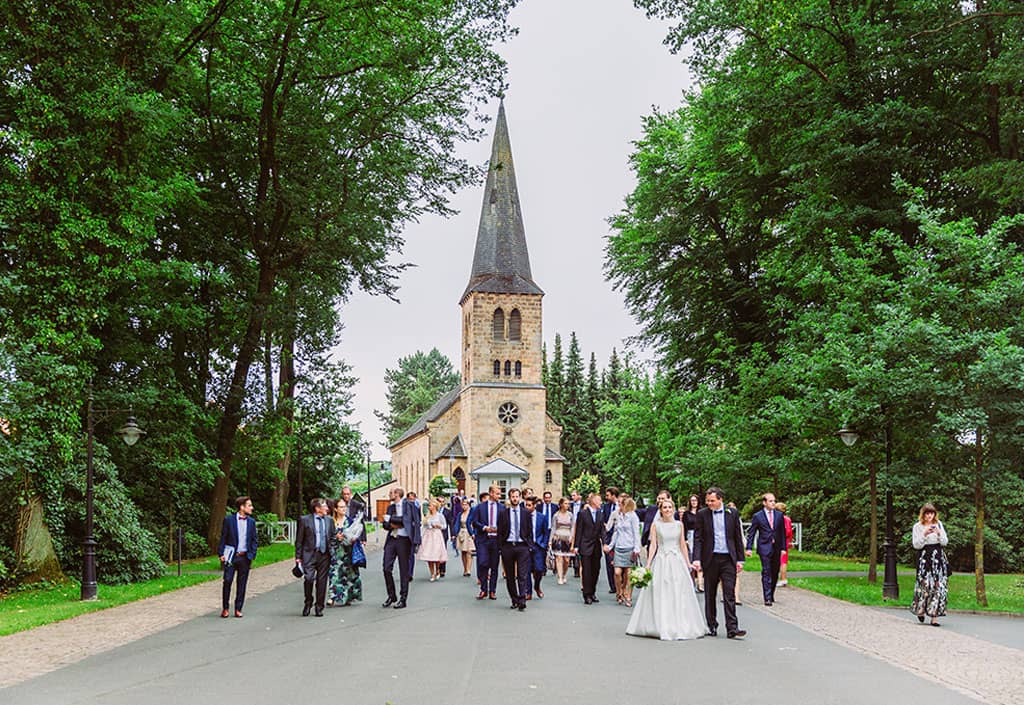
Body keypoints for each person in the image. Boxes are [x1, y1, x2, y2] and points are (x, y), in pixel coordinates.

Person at [627, 499, 707, 640]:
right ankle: (659, 624)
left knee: (678, 590)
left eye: (670, 507)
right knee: (661, 590)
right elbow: (653, 546)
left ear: (674, 509)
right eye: (665, 507)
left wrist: (688, 563)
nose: (668, 510)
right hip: (662, 560)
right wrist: (648, 563)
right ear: (661, 510)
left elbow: (682, 545)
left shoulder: (679, 525)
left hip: (677, 561)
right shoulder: (656, 525)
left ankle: (679, 623)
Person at [692, 488, 746, 639]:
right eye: (708, 501)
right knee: (710, 594)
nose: (709, 503)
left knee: (729, 593)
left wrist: (740, 560)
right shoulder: (702, 514)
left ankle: (732, 628)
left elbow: (737, 537)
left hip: (728, 558)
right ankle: (712, 625)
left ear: (720, 499)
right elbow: (698, 538)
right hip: (711, 558)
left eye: (712, 501)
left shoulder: (732, 513)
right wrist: (696, 558)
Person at [381, 487, 421, 609]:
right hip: (392, 539)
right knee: (386, 568)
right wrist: (393, 523)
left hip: (404, 540)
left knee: (404, 570)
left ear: (397, 494)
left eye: (391, 493)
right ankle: (391, 595)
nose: (389, 494)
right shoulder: (390, 507)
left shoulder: (409, 505)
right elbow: (385, 524)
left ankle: (403, 598)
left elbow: (408, 521)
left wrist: (416, 541)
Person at [911, 503, 949, 627]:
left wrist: (938, 533)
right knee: (924, 584)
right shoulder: (917, 526)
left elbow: (944, 542)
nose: (929, 516)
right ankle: (920, 611)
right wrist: (924, 534)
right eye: (927, 514)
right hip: (924, 557)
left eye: (931, 513)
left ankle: (934, 616)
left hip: (937, 557)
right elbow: (916, 545)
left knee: (938, 585)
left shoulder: (939, 524)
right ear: (923, 514)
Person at [219, 495, 257, 618]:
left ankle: (238, 608)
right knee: (228, 581)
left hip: (245, 557)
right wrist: (221, 554)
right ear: (241, 507)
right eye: (249, 505)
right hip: (231, 556)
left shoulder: (251, 522)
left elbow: (254, 540)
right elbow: (223, 537)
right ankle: (225, 607)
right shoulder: (229, 520)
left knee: (242, 583)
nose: (252, 508)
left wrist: (252, 554)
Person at [745, 492, 786, 606]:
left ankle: (771, 593)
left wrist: (783, 548)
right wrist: (749, 548)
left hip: (776, 547)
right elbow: (751, 533)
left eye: (774, 501)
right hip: (764, 547)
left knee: (774, 571)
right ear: (764, 503)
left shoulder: (779, 515)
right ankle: (767, 597)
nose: (773, 503)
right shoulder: (758, 516)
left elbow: (782, 532)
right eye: (770, 501)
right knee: (766, 571)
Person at [497, 488, 533, 610]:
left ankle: (522, 599)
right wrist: (501, 547)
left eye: (517, 496)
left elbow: (529, 530)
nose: (515, 499)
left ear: (520, 498)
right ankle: (514, 599)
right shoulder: (503, 513)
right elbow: (500, 532)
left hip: (522, 546)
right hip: (508, 546)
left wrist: (529, 546)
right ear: (509, 498)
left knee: (522, 574)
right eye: (513, 496)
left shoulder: (526, 513)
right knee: (510, 576)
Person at [295, 497, 332, 617]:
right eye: (324, 506)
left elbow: (333, 537)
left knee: (322, 582)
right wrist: (298, 557)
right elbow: (299, 540)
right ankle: (308, 602)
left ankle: (319, 606)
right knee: (309, 579)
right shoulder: (305, 520)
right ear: (317, 508)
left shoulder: (329, 520)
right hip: (309, 554)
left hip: (324, 554)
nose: (327, 508)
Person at [605, 495, 641, 607]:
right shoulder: (619, 516)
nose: (619, 506)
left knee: (629, 575)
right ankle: (619, 591)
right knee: (617, 573)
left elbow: (636, 533)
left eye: (621, 504)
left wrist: (637, 548)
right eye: (618, 504)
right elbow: (616, 532)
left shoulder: (633, 516)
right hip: (619, 548)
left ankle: (628, 596)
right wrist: (610, 546)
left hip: (629, 548)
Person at [327, 499, 363, 606]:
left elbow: (357, 533)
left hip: (349, 551)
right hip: (336, 552)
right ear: (335, 509)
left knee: (349, 575)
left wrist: (353, 538)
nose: (343, 509)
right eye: (341, 507)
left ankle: (348, 596)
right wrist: (335, 537)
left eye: (344, 507)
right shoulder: (331, 522)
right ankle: (332, 597)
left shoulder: (350, 521)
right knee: (334, 574)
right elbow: (327, 536)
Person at [571, 492, 605, 604]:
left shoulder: (600, 513)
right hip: (585, 545)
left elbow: (602, 531)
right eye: (599, 500)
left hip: (596, 546)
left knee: (596, 570)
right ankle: (587, 594)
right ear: (594, 501)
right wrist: (576, 546)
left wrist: (605, 543)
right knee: (586, 571)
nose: (601, 502)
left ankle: (593, 592)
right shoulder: (583, 514)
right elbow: (579, 530)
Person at [471, 484, 503, 600]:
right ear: (491, 493)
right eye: (497, 493)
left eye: (500, 494)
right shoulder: (480, 507)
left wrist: (500, 529)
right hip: (483, 539)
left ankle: (492, 591)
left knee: (494, 566)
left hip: (495, 540)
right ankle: (483, 589)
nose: (499, 496)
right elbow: (474, 522)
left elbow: (504, 524)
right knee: (483, 563)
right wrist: (484, 527)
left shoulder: (502, 508)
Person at [524, 495, 549, 600]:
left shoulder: (542, 517)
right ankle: (528, 592)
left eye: (529, 505)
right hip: (526, 546)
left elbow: (546, 532)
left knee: (539, 569)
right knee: (526, 570)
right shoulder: (523, 516)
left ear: (534, 506)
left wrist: (544, 544)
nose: (527, 507)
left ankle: (537, 586)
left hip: (538, 546)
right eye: (526, 505)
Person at [416, 498, 448, 581]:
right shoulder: (427, 515)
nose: (429, 507)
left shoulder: (439, 515)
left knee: (436, 554)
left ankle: (437, 570)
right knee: (429, 555)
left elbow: (445, 526)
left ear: (434, 506)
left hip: (436, 535)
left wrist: (439, 526)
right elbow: (423, 526)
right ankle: (432, 573)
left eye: (430, 506)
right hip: (428, 535)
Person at [600, 487, 621, 595]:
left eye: (608, 495)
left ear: (613, 495)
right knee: (609, 562)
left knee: (620, 561)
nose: (606, 497)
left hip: (621, 538)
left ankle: (620, 585)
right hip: (608, 537)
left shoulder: (622, 506)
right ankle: (612, 586)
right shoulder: (606, 507)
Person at [549, 497, 575, 585]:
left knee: (567, 560)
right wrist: (550, 540)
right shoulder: (556, 515)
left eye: (568, 503)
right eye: (565, 503)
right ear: (560, 504)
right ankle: (559, 576)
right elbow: (553, 528)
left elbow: (573, 527)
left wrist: (572, 538)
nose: (567, 505)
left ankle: (564, 574)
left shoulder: (570, 515)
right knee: (559, 558)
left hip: (567, 538)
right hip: (558, 537)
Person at [680, 494, 703, 592]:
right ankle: (692, 583)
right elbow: (684, 527)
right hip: (690, 536)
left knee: (700, 559)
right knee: (691, 559)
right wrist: (685, 539)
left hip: (700, 536)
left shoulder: (702, 513)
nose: (693, 502)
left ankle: (700, 584)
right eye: (692, 501)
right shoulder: (686, 514)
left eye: (695, 500)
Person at [454, 499, 476, 576]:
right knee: (463, 552)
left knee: (469, 551)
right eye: (463, 504)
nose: (464, 506)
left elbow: (474, 523)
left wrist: (474, 533)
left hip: (469, 532)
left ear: (469, 505)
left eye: (466, 504)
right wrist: (455, 533)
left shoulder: (472, 513)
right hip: (462, 532)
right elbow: (457, 523)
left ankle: (469, 569)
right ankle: (465, 569)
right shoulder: (460, 514)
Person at [776, 502, 793, 586]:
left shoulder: (778, 519)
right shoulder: (788, 519)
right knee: (784, 561)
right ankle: (783, 578)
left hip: (779, 541)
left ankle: (783, 578)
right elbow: (790, 532)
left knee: (780, 561)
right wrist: (790, 541)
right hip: (786, 541)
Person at [569, 490, 583, 577]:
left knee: (579, 547)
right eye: (572, 496)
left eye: (574, 495)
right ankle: (576, 568)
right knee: (573, 547)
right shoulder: (570, 505)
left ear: (579, 496)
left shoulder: (584, 505)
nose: (572, 497)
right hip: (572, 528)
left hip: (581, 528)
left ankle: (580, 566)